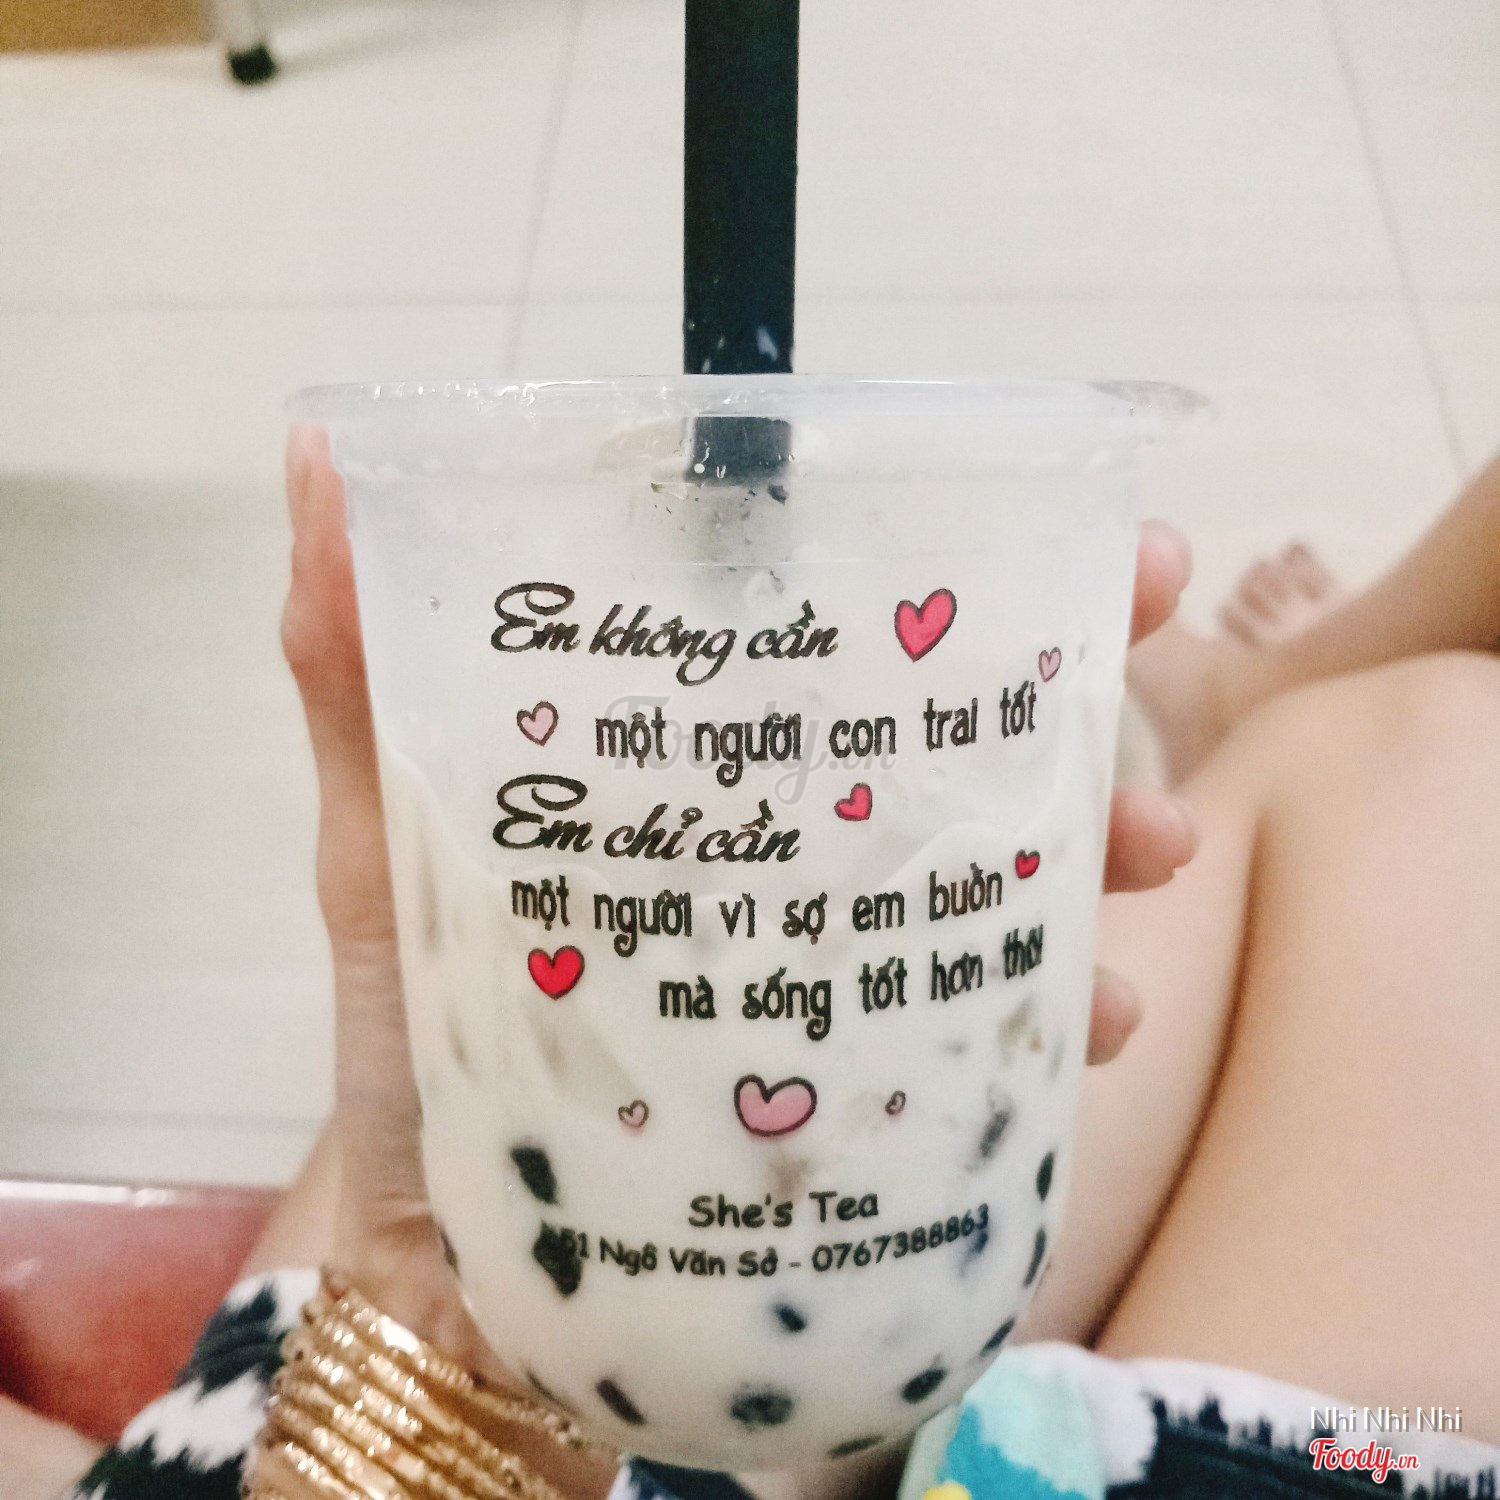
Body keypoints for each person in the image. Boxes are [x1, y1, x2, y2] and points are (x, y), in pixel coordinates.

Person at [30, 440, 1500, 1499]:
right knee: (1438, 762)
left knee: (566, 1022)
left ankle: (1240, 709)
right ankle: (1245, 706)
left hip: (319, 1433)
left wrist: (434, 1397)